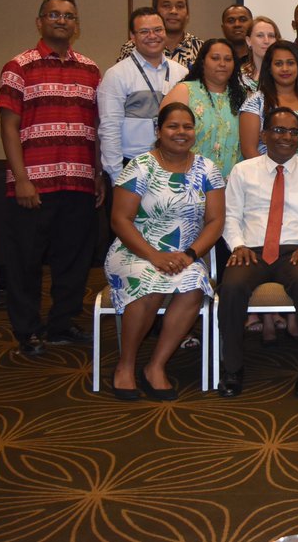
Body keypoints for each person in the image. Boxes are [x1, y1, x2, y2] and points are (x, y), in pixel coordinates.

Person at [0, 0, 105, 355]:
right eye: (54, 14)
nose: (62, 20)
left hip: (78, 181)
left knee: (73, 260)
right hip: (32, 185)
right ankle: (27, 330)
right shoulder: (19, 67)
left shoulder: (90, 70)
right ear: (40, 21)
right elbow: (9, 126)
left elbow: (97, 127)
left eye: (69, 16)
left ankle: (62, 324)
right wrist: (21, 178)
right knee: (25, 262)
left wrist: (97, 174)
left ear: (77, 25)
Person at [105, 103, 225, 400]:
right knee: (149, 284)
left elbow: (215, 221)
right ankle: (126, 365)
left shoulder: (208, 169)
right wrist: (153, 255)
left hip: (185, 254)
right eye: (173, 126)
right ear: (158, 131)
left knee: (193, 285)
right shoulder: (140, 166)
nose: (181, 132)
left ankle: (156, 366)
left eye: (187, 126)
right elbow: (120, 220)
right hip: (135, 250)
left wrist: (190, 255)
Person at [218, 106, 298, 398]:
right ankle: (232, 368)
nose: (287, 137)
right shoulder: (243, 171)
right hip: (250, 250)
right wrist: (238, 245)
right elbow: (229, 215)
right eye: (279, 130)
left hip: (296, 250)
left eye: (293, 132)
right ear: (264, 135)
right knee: (231, 288)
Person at [98, 7, 188, 184]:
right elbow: (110, 129)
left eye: (158, 30)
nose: (152, 36)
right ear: (132, 36)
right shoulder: (117, 75)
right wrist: (118, 177)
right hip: (131, 166)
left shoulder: (181, 73)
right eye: (144, 31)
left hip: (174, 165)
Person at [161, 37, 245, 178]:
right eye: (215, 58)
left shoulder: (241, 97)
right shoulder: (184, 91)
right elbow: (165, 137)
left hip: (232, 183)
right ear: (202, 62)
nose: (222, 64)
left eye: (228, 59)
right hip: (187, 181)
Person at [240, 40, 298, 166]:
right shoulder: (255, 102)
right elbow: (249, 150)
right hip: (265, 176)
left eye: (290, 63)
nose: (285, 69)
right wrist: (277, 175)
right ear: (269, 68)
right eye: (278, 64)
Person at [116, 0, 203, 67]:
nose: (173, 11)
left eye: (180, 6)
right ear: (154, 11)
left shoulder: (200, 48)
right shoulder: (132, 48)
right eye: (166, 6)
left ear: (187, 14)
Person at [242, 15, 281, 91]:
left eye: (271, 36)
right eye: (260, 35)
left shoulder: (284, 73)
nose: (266, 41)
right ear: (248, 41)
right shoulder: (239, 76)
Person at [221, 4, 253, 69]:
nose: (237, 25)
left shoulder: (261, 58)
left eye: (243, 20)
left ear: (252, 25)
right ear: (223, 28)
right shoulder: (217, 59)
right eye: (231, 21)